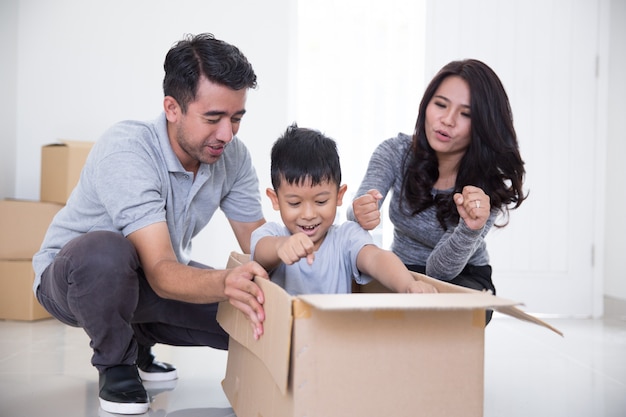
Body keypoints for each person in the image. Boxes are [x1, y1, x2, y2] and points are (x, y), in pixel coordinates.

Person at [32, 33, 269, 415]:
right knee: (107, 251)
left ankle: (138, 335)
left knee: (258, 320)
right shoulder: (127, 149)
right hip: (78, 279)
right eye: (213, 118)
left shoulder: (233, 156)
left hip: (154, 276)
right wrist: (226, 282)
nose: (226, 134)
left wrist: (310, 250)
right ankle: (117, 365)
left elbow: (259, 241)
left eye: (236, 118)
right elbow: (160, 271)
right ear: (172, 108)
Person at [348, 59, 527, 323]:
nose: (447, 120)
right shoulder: (394, 152)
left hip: (463, 277)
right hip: (402, 269)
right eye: (440, 105)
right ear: (426, 105)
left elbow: (439, 271)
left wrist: (469, 228)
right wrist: (360, 212)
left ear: (483, 125)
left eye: (465, 114)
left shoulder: (486, 189)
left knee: (439, 317)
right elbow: (355, 217)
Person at [250, 124, 437, 296]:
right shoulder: (272, 235)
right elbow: (261, 252)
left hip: (335, 331)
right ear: (275, 200)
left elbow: (376, 258)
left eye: (321, 201)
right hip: (286, 332)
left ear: (339, 196)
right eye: (295, 203)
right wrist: (281, 246)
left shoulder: (346, 238)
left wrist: (407, 285)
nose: (308, 215)